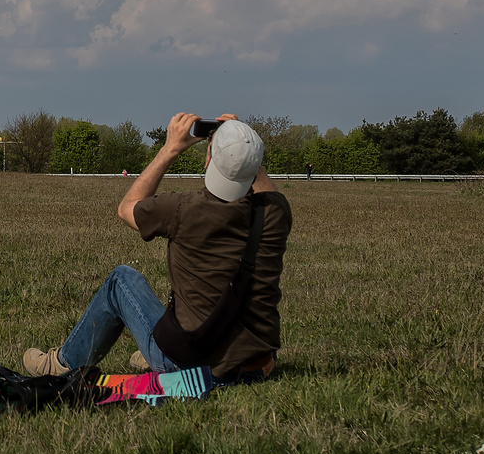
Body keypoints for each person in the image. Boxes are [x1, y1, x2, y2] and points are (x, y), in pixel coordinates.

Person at [22, 113, 292, 383]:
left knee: (121, 280)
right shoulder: (275, 212)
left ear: (209, 160)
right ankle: (158, 351)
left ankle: (63, 363)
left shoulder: (183, 209)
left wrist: (170, 148)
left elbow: (127, 209)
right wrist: (243, 147)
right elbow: (271, 194)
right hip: (258, 364)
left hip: (193, 365)